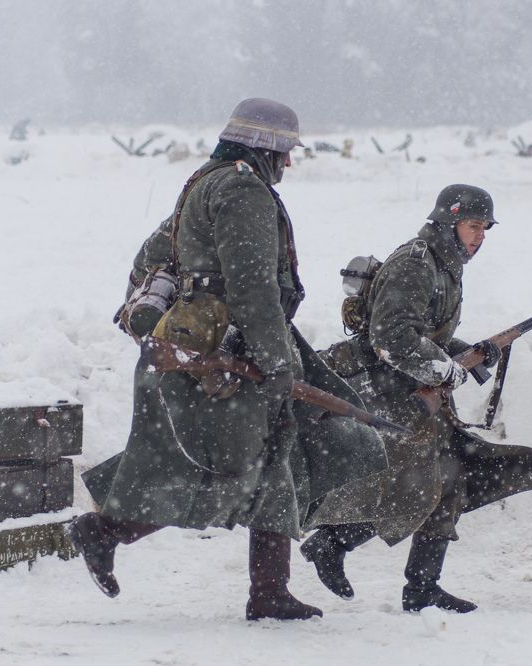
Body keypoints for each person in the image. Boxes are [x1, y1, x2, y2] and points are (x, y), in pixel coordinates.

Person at [70, 98, 387, 621]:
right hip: (235, 353)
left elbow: (151, 258)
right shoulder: (242, 189)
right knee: (231, 470)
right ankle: (105, 531)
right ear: (266, 147)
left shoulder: (205, 180)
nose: (287, 164)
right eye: (284, 152)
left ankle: (270, 590)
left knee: (273, 466)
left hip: (221, 348)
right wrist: (275, 359)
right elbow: (253, 287)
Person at [303, 185, 532, 613]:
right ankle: (331, 543)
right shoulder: (416, 263)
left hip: (413, 388)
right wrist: (445, 370)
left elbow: (426, 335)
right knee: (413, 485)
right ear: (449, 222)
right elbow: (390, 336)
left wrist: (471, 351)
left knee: (450, 479)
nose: (479, 236)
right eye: (473, 226)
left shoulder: (445, 264)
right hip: (386, 389)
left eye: (484, 229)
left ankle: (421, 587)